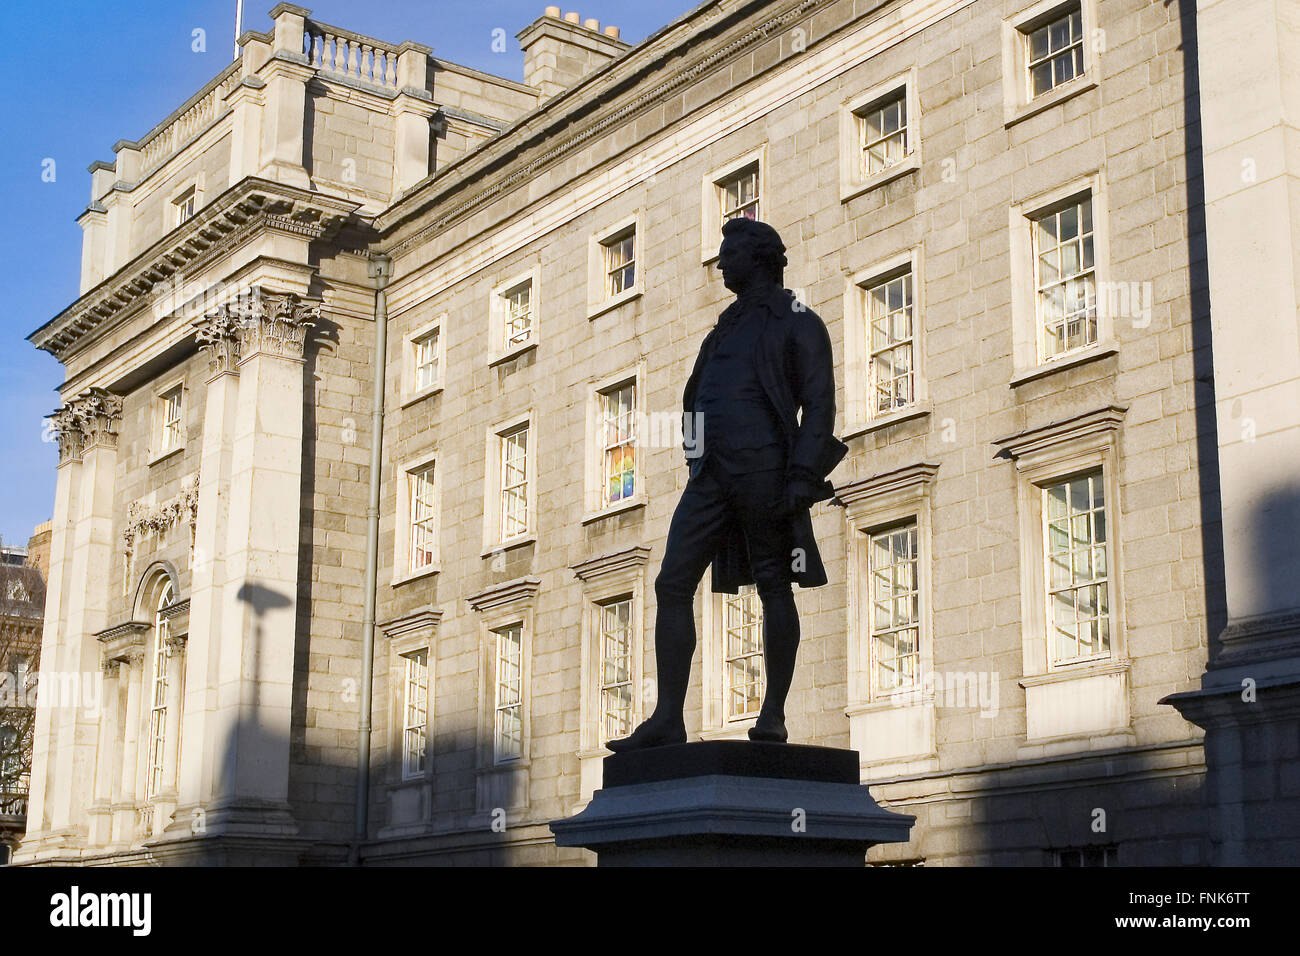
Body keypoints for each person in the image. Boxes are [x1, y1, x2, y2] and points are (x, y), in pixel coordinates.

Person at [607, 218, 846, 751]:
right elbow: (696, 398)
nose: (720, 263)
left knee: (774, 583)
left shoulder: (799, 320)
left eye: (730, 254)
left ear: (760, 258)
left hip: (766, 468)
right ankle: (668, 717)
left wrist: (803, 474)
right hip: (712, 474)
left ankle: (773, 713)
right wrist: (696, 457)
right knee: (671, 583)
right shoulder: (722, 330)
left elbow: (820, 404)